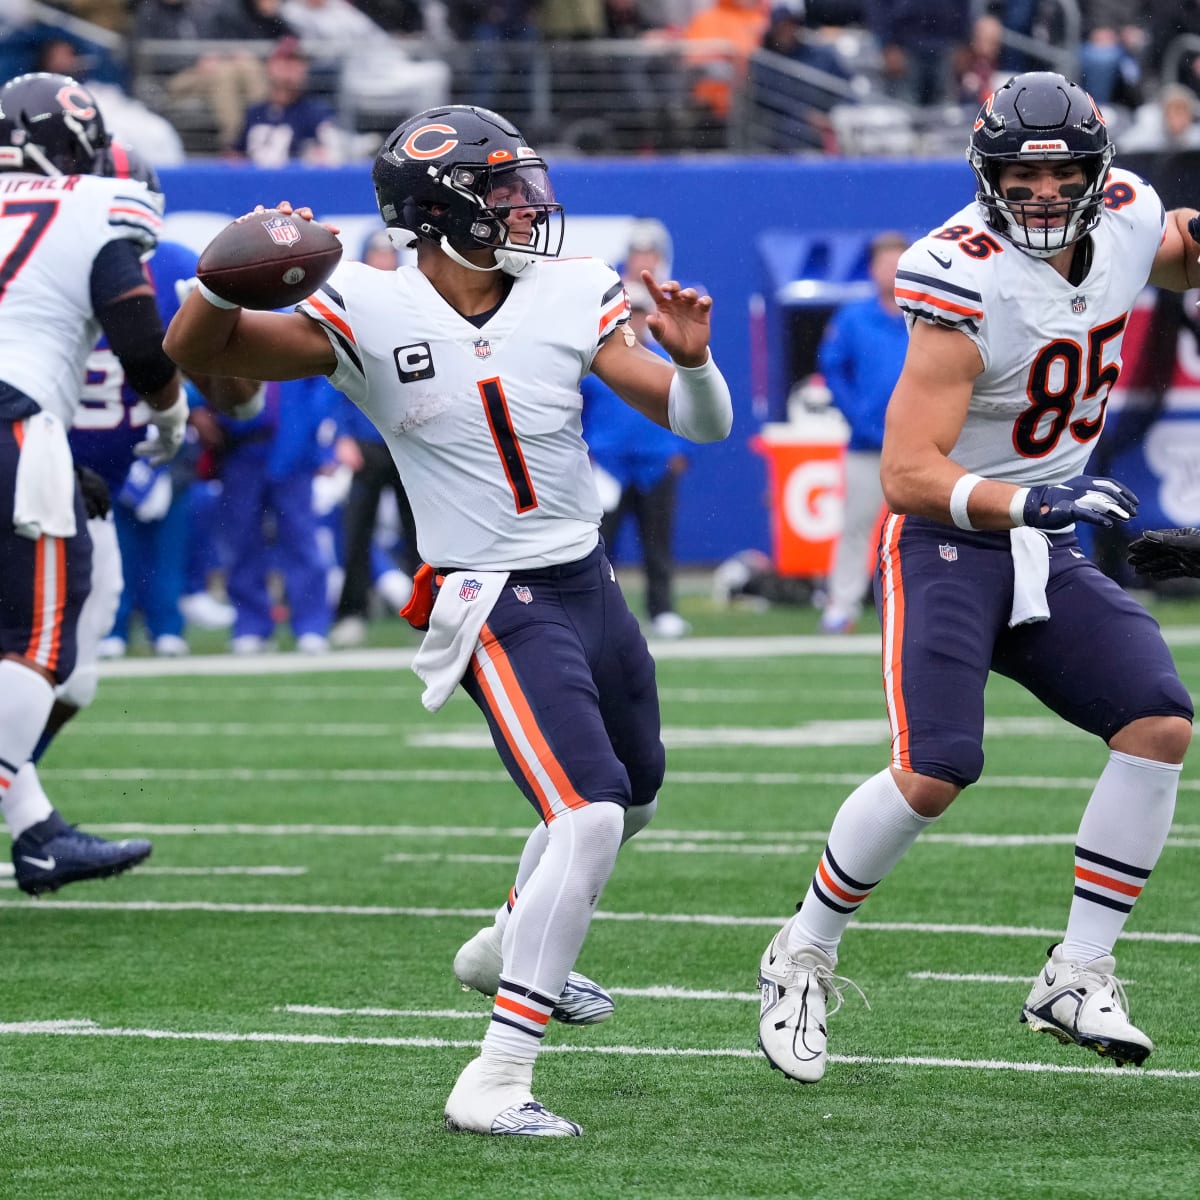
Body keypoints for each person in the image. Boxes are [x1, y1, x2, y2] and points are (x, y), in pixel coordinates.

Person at [164, 103, 732, 1136]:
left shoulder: (569, 288)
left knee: (637, 798)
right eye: (503, 192)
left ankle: (500, 945)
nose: (529, 208)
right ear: (438, 212)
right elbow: (199, 348)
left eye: (526, 185)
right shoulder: (364, 307)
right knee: (590, 812)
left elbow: (699, 420)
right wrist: (218, 273)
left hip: (587, 581)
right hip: (490, 593)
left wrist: (693, 362)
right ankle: (496, 1077)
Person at [757, 71, 1198, 1084]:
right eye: (1020, 176)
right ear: (985, 174)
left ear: (1100, 174)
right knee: (936, 771)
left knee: (1159, 721)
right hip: (956, 534)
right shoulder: (961, 274)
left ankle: (1078, 972)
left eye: (1062, 176)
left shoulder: (1128, 217)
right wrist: (1027, 502)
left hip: (1057, 529)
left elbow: (1174, 252)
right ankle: (803, 949)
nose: (1042, 196)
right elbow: (909, 475)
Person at [0, 74, 189, 893]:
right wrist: (171, 411)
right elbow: (140, 340)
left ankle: (37, 831)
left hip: (28, 433)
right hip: (14, 421)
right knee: (37, 641)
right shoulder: (93, 203)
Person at [582, 280, 692, 638]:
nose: (635, 320)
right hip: (609, 466)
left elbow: (693, 406)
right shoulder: (596, 364)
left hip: (655, 465)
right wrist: (588, 455)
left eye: (642, 313)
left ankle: (662, 610)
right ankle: (598, 612)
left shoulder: (666, 361)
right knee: (599, 548)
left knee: (658, 544)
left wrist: (680, 452)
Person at [329, 228, 421, 649]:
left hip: (406, 438)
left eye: (389, 256)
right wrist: (341, 436)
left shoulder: (415, 306)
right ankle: (351, 612)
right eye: (377, 255)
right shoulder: (350, 307)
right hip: (365, 439)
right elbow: (330, 377)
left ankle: (436, 611)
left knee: (425, 532)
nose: (384, 262)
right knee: (356, 532)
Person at [815, 230, 909, 635]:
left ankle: (916, 603)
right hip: (867, 444)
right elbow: (833, 369)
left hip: (921, 445)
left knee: (924, 531)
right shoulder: (853, 318)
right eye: (885, 263)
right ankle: (842, 602)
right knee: (855, 525)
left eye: (898, 262)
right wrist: (859, 417)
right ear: (872, 270)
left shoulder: (925, 315)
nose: (891, 271)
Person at [231, 36, 345, 167]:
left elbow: (332, 155)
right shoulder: (255, 112)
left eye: (297, 63)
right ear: (270, 65)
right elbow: (235, 154)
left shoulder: (315, 112)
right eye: (286, 61)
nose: (291, 69)